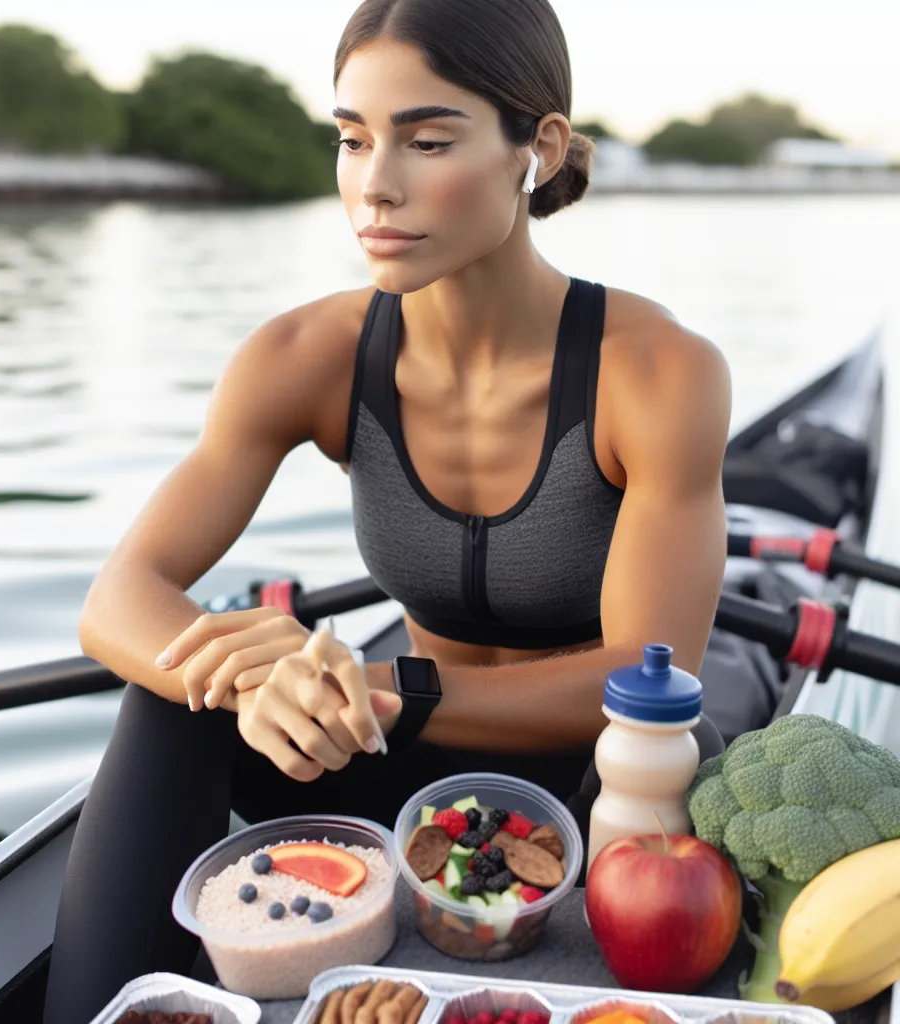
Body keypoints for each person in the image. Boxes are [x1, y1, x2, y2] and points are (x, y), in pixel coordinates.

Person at [42, 0, 732, 1020]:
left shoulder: (657, 371)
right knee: (176, 687)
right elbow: (118, 599)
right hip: (392, 757)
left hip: (599, 782)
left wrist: (383, 685)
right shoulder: (302, 355)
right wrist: (261, 684)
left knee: (668, 757)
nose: (375, 183)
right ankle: (95, 1007)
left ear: (533, 148)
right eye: (353, 139)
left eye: (427, 139)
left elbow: (642, 679)